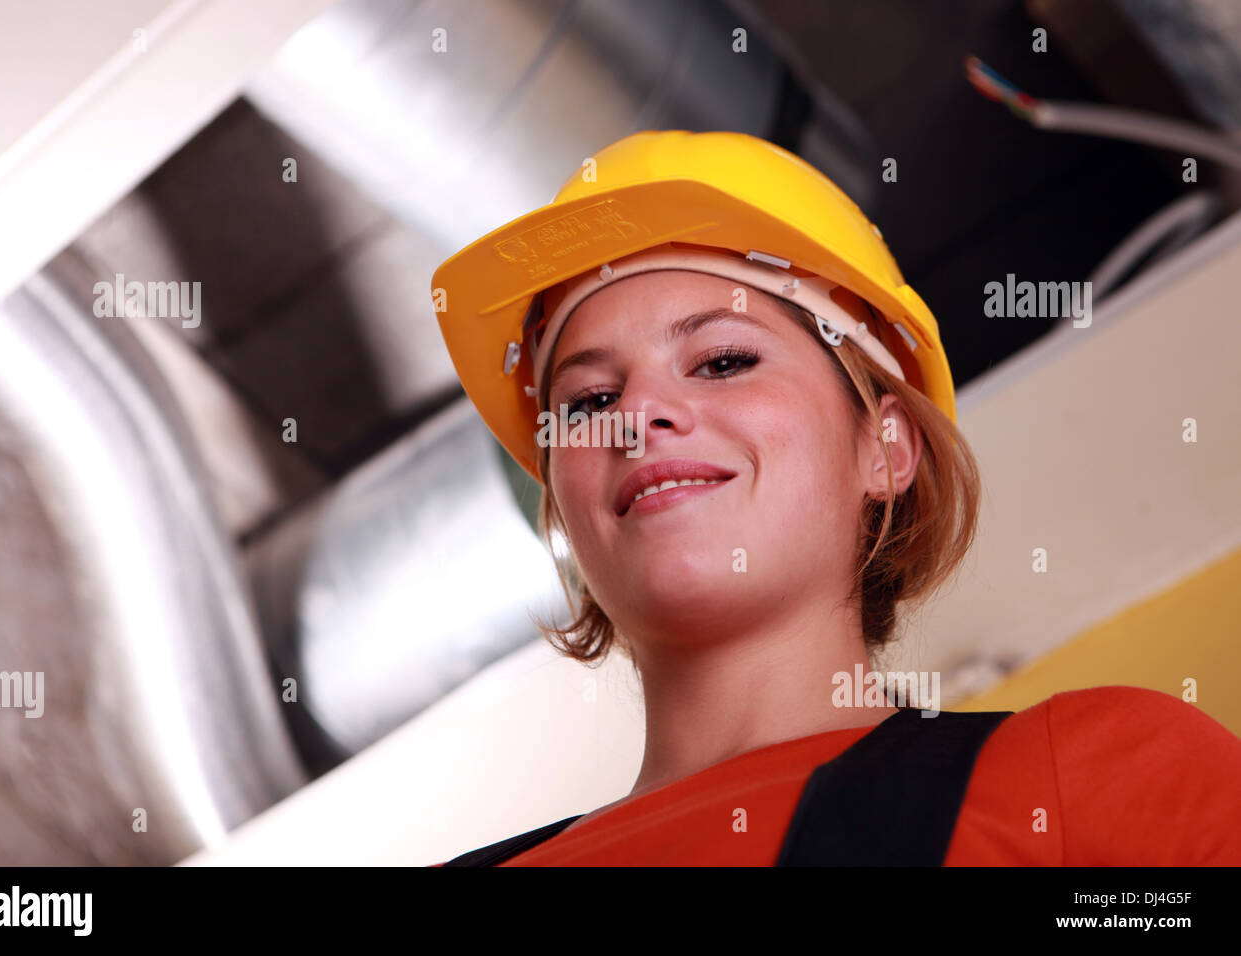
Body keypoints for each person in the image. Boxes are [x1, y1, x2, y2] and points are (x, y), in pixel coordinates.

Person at [427, 130, 1241, 866]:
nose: (636, 416)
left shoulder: (1087, 788)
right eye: (589, 402)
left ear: (885, 447)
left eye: (722, 361)